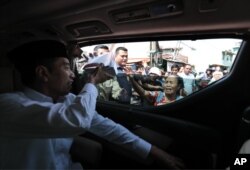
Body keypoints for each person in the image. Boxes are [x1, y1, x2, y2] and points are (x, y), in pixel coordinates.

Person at [0, 40, 184, 169]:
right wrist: (91, 83)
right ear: (43, 74)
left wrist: (158, 153)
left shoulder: (68, 101)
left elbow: (110, 129)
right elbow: (78, 121)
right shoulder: (8, 105)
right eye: (65, 67)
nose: (73, 74)